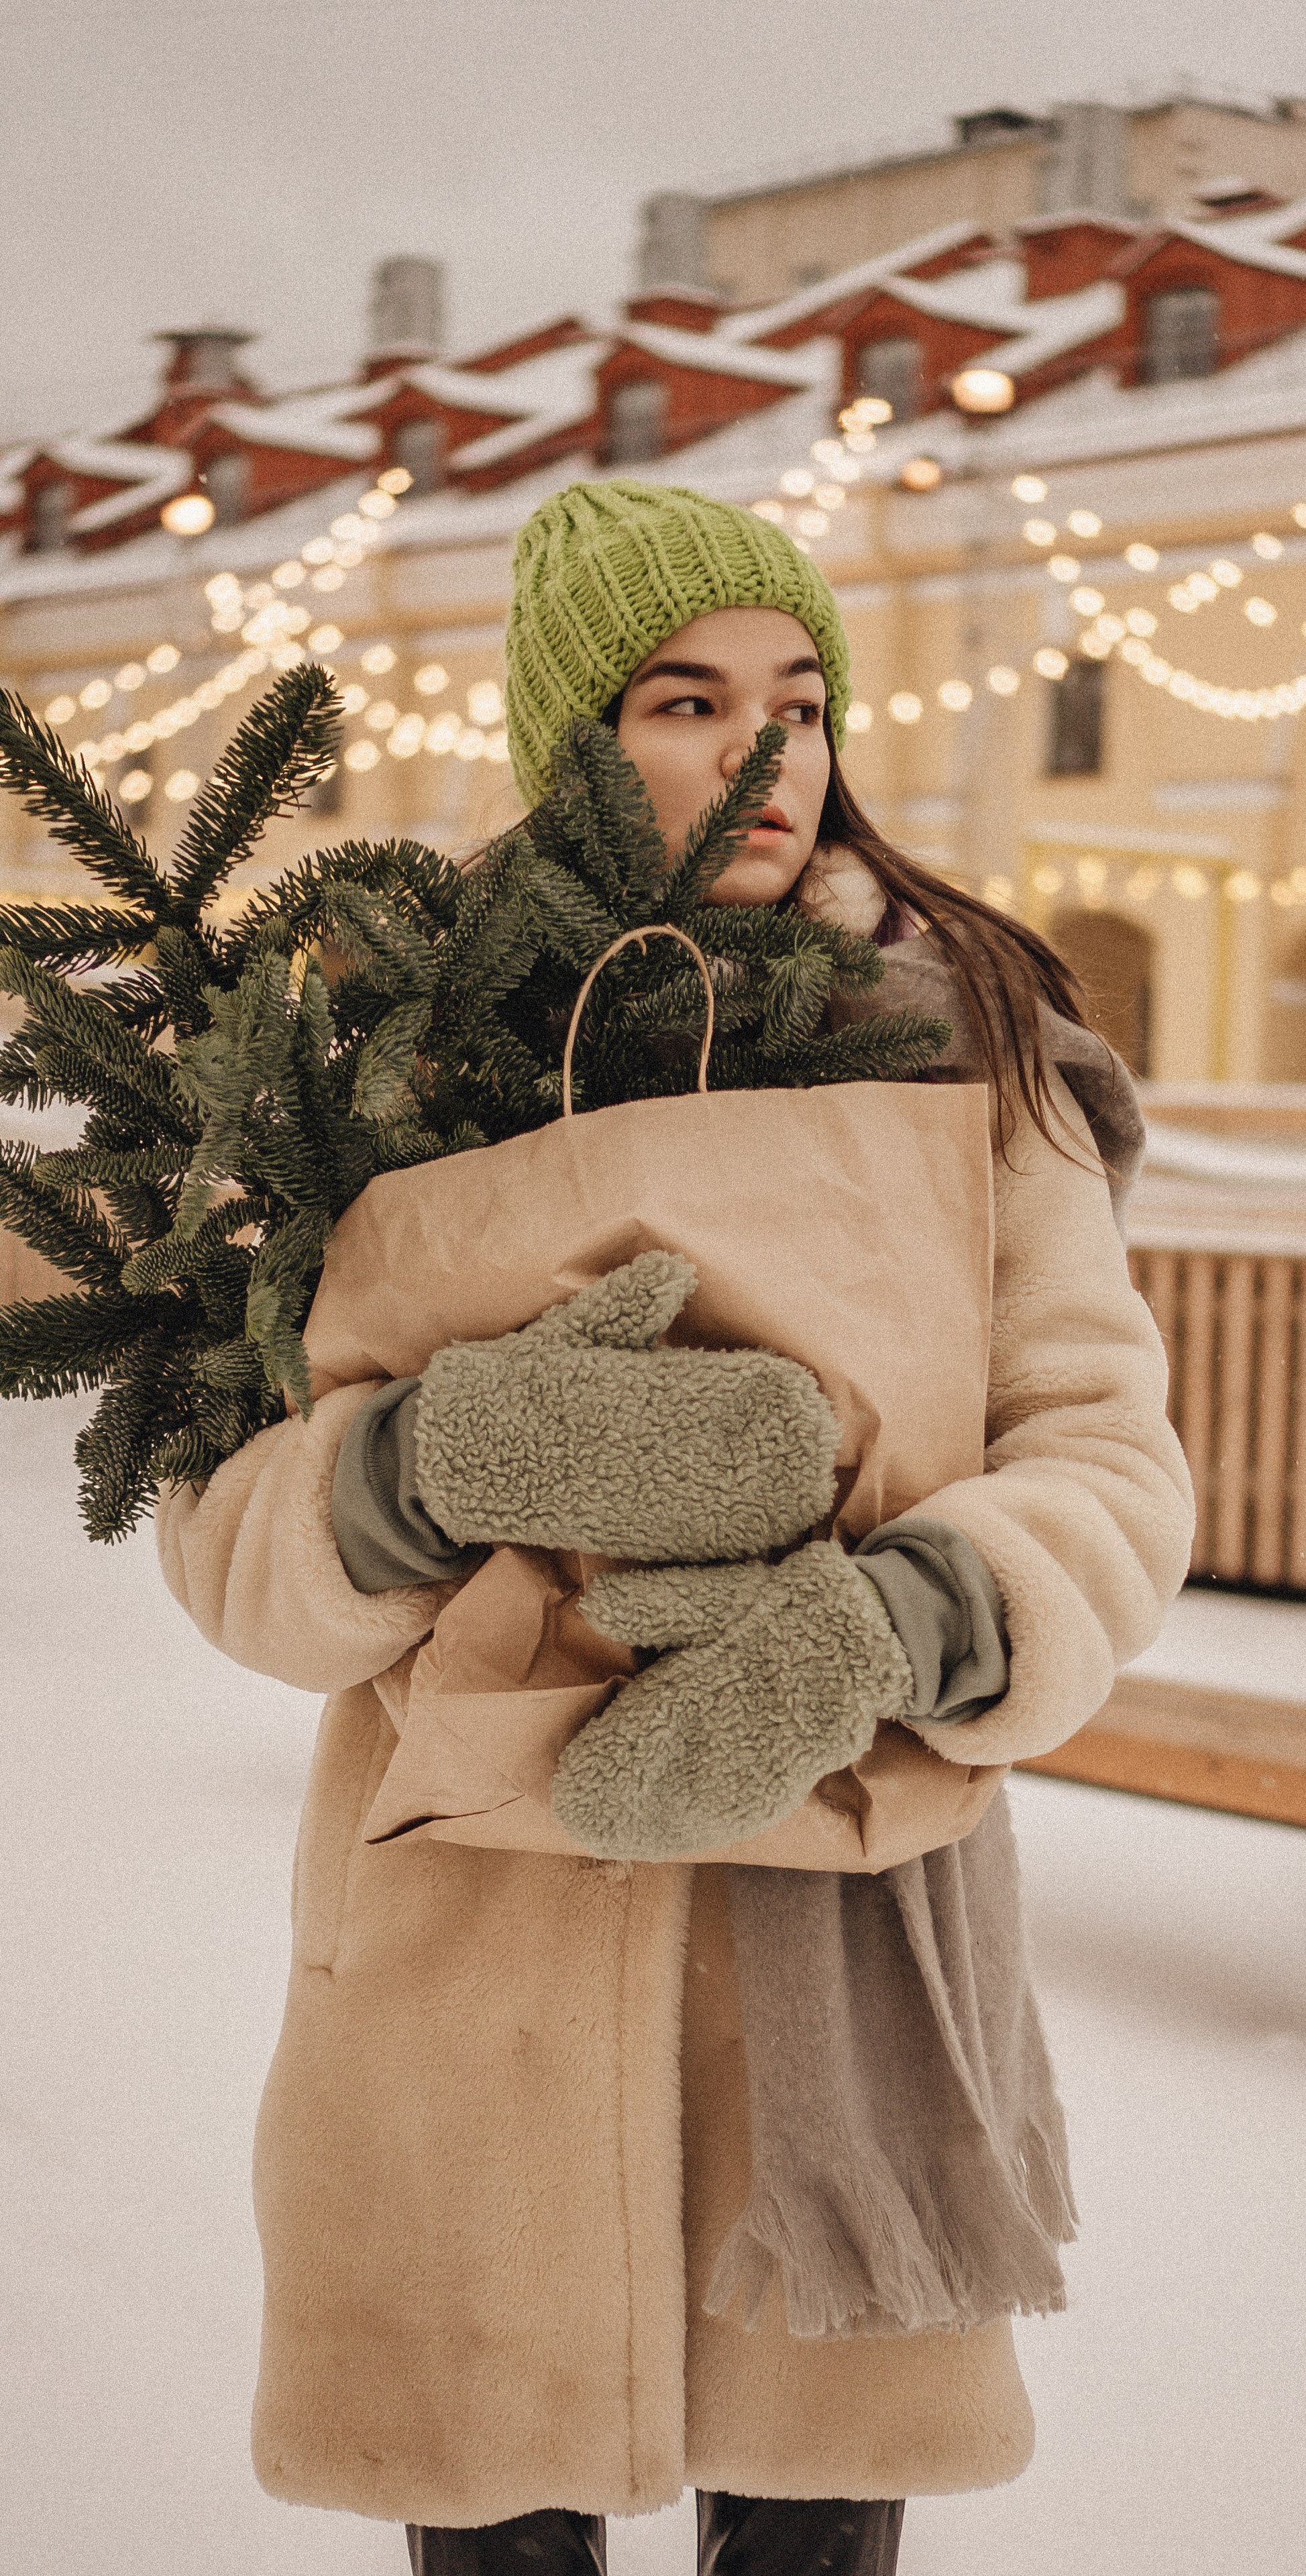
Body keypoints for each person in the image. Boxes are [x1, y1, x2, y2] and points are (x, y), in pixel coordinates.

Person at [158, 480, 1195, 2576]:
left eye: (799, 702)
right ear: (573, 741)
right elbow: (226, 1542)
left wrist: (898, 1623)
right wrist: (428, 1464)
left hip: (839, 1920)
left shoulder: (970, 1041)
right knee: (497, 2522)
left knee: (811, 2526)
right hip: (471, 1952)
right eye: (685, 701)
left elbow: (1107, 1466)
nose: (764, 755)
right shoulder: (394, 1060)